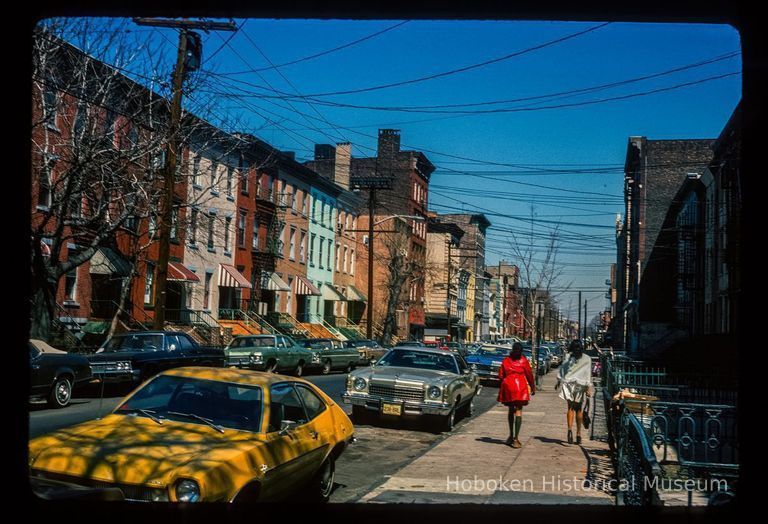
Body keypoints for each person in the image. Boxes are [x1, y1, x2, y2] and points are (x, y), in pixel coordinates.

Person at [497, 342, 536, 448]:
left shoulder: (506, 360)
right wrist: (533, 387)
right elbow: (529, 375)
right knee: (518, 411)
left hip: (508, 387)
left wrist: (505, 381)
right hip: (520, 388)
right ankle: (516, 439)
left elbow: (500, 375)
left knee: (510, 410)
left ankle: (510, 435)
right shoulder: (524, 361)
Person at [555, 339, 592, 445]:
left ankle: (570, 429)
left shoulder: (568, 357)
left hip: (569, 385)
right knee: (579, 409)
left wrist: (558, 381)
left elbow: (562, 370)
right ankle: (578, 434)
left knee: (570, 408)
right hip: (580, 386)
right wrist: (588, 388)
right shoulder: (587, 359)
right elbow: (588, 374)